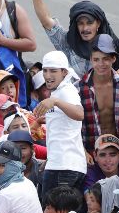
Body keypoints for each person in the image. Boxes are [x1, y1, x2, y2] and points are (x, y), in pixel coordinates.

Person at [24, 0, 119, 76]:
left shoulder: (114, 47)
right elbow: (46, 21)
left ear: (98, 23)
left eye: (89, 23)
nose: (85, 28)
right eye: (81, 24)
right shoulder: (68, 43)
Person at [76, 34, 119, 160]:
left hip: (116, 148)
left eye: (105, 59)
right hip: (90, 152)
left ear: (113, 59)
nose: (101, 64)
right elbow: (74, 126)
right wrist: (83, 151)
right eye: (96, 59)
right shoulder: (79, 88)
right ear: (91, 59)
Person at [37, 51, 86, 200]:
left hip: (63, 167)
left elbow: (79, 114)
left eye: (53, 71)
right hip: (63, 164)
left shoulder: (66, 91)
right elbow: (62, 126)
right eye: (45, 70)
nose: (47, 75)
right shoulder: (60, 91)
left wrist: (56, 101)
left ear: (64, 73)